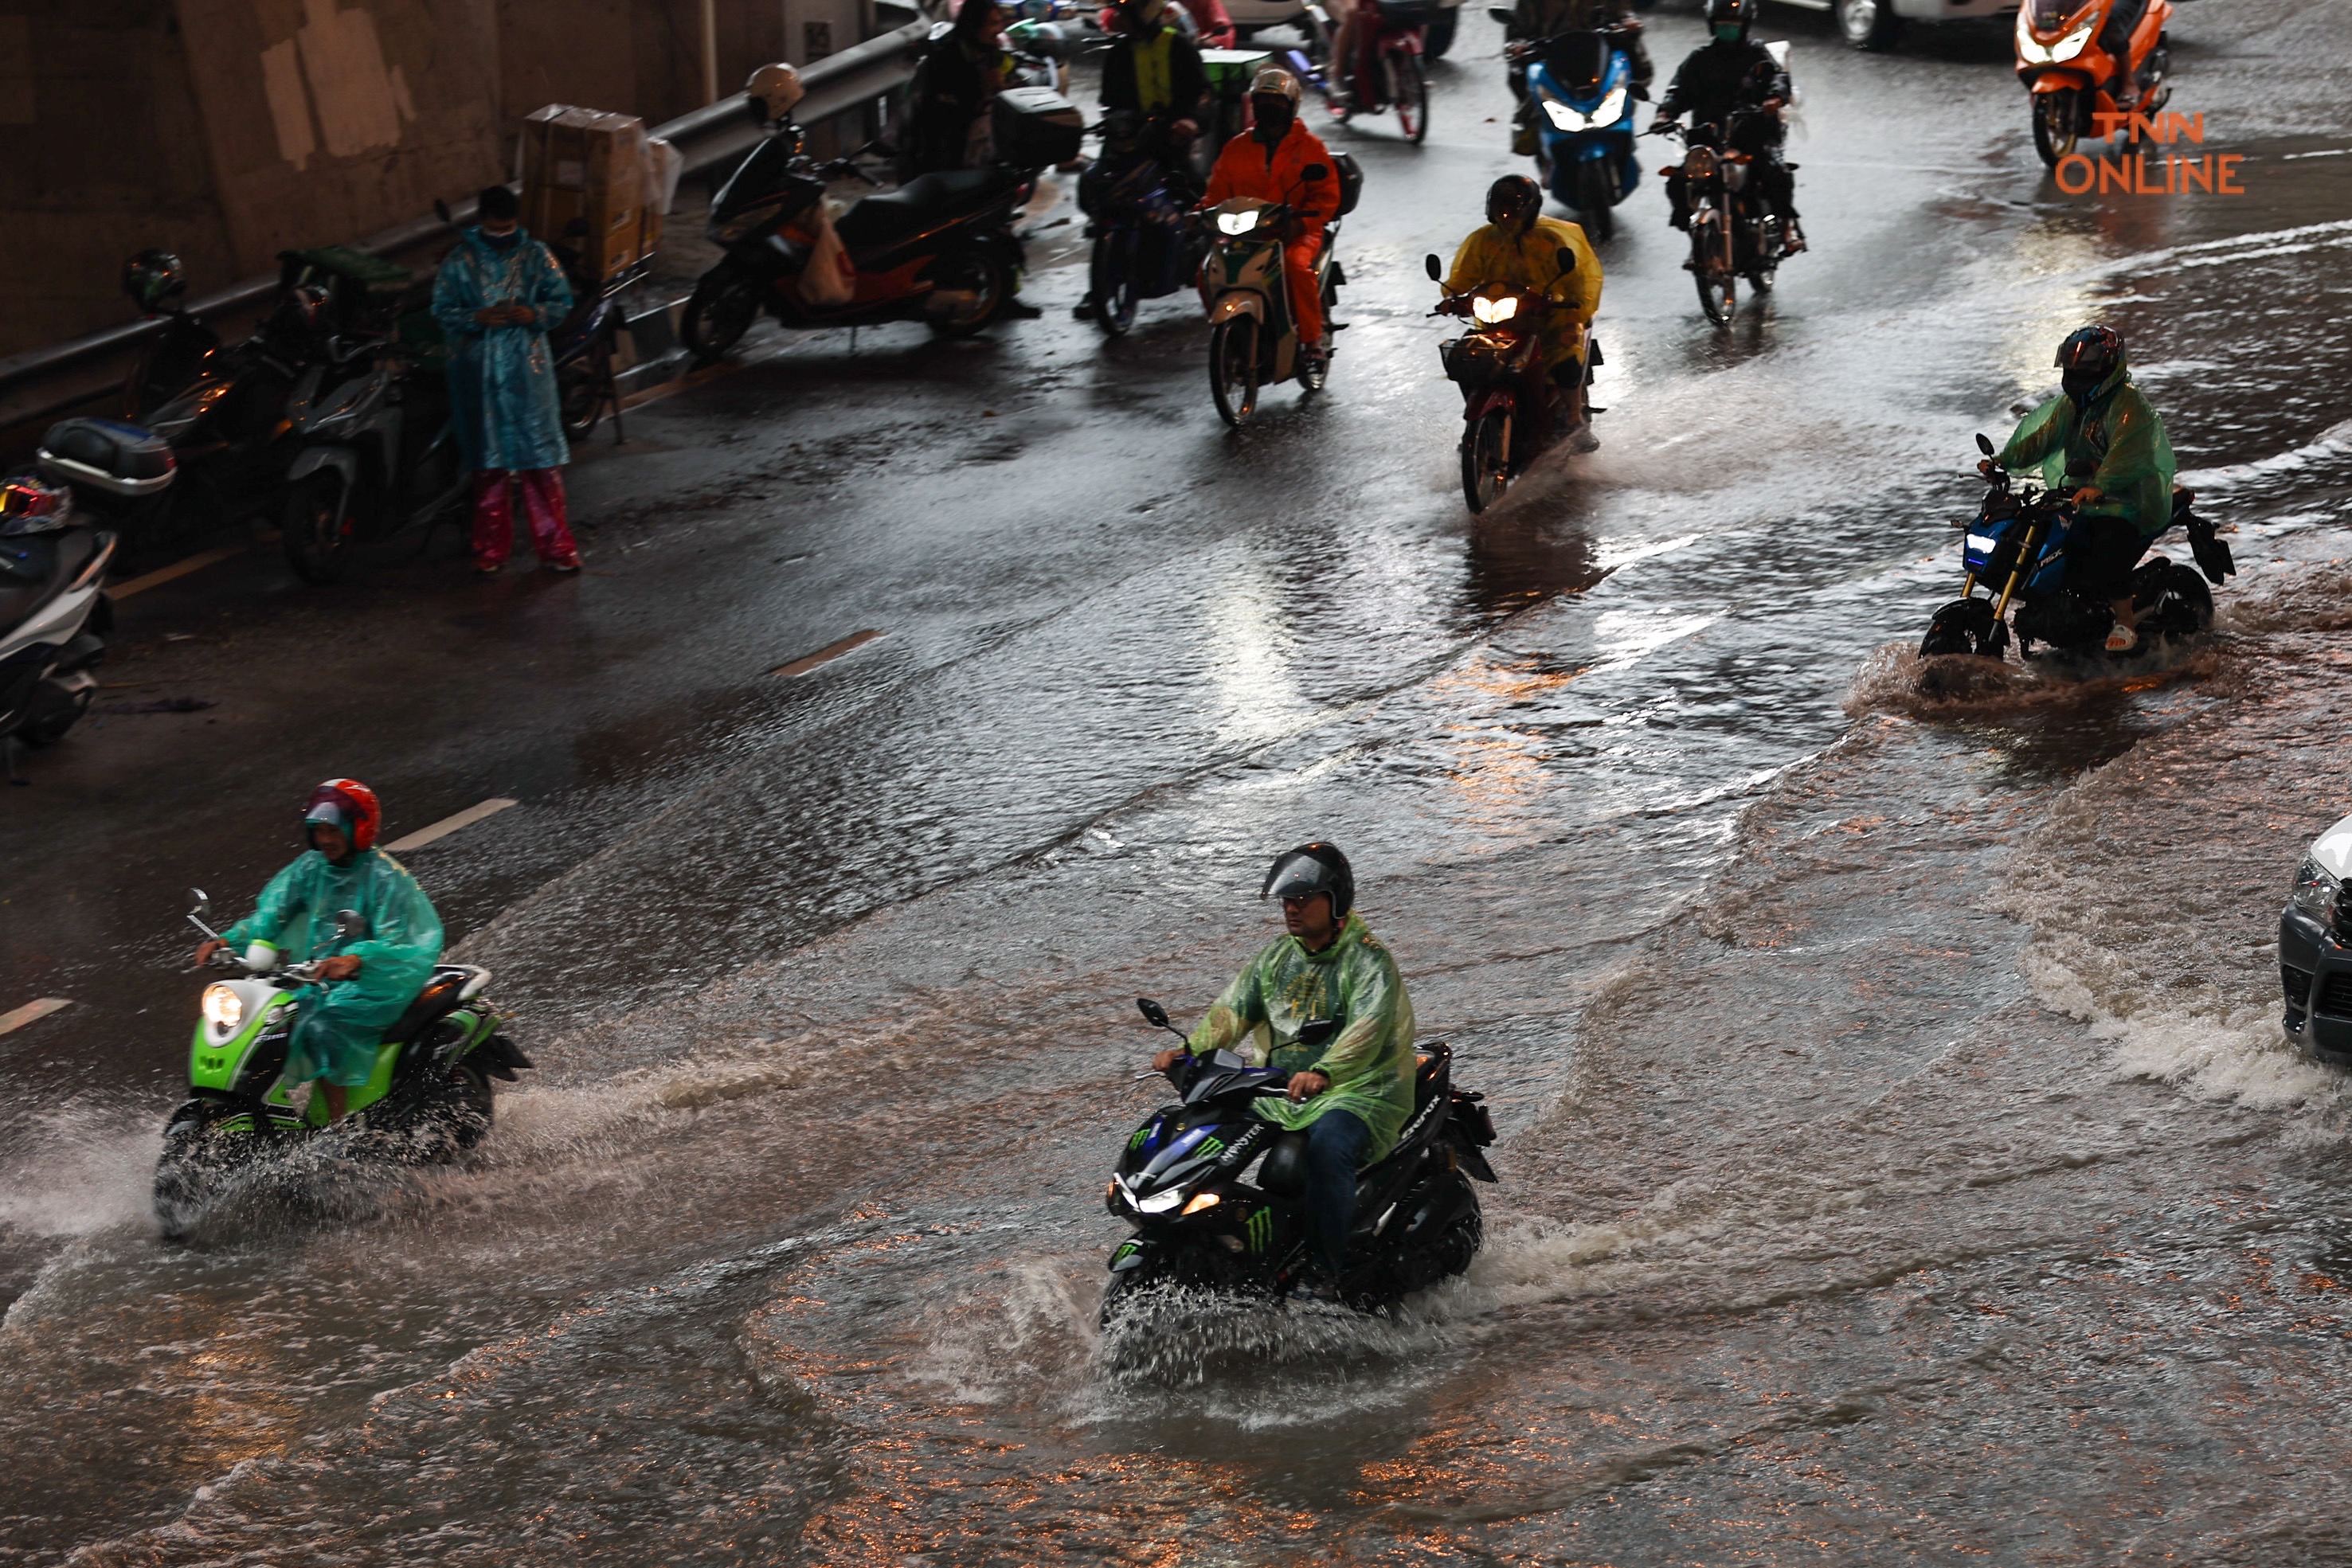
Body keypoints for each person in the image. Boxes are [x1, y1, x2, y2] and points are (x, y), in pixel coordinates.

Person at [1149, 843, 1415, 1297]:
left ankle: (1325, 1271)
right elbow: (1232, 1010)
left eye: (1303, 899)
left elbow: (1367, 1030)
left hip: (1361, 1090)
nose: (1291, 909)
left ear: (1334, 901)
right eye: (1287, 900)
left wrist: (1325, 1072)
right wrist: (1189, 1051)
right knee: (1212, 1133)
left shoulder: (1369, 960)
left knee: (1328, 1149)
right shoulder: (1276, 957)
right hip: (1279, 1091)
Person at [190, 781, 446, 1123]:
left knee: (322, 1024)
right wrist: (226, 941)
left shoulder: (385, 878)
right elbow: (271, 916)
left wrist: (358, 958)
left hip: (377, 981)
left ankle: (338, 1129)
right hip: (321, 974)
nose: (325, 839)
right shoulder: (311, 868)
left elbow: (398, 942)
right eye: (319, 830)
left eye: (333, 830)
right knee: (276, 1025)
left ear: (359, 828)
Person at [1983, 326, 2177, 652]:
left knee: (2107, 544)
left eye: (2086, 368)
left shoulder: (2130, 407)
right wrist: (2004, 460)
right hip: (2078, 497)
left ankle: (2125, 622)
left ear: (2109, 367)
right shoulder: (2071, 407)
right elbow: (2040, 439)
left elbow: (2126, 456)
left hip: (2126, 500)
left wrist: (2101, 486)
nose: (2077, 376)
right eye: (2072, 369)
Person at [432, 185, 582, 577]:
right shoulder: (460, 262)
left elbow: (562, 301)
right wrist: (475, 318)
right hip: (479, 375)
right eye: (497, 227)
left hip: (528, 375)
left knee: (541, 465)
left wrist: (535, 314)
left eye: (510, 226)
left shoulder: (535, 256)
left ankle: (557, 548)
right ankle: (491, 549)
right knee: (489, 467)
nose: (504, 233)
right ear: (481, 222)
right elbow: (442, 309)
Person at [1199, 68, 1344, 375]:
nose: (1268, 107)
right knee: (1205, 273)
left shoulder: (1309, 147)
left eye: (1275, 101)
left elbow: (1326, 196)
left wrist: (1301, 223)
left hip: (1297, 231)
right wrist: (1200, 213)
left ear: (1291, 105)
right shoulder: (1237, 147)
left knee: (1295, 268)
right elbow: (1217, 192)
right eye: (1261, 100)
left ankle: (1311, 340)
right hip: (1249, 233)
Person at [1445, 174, 1603, 452]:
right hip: (1499, 319)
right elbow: (1463, 277)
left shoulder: (1550, 241)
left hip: (1548, 320)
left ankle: (1574, 420)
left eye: (1512, 210)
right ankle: (1480, 424)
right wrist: (1452, 297)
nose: (1506, 217)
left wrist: (1571, 307)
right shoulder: (1483, 241)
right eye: (1500, 210)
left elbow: (1577, 281)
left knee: (1565, 361)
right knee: (1468, 360)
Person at [1653, 0, 1802, 256]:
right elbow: (1678, 90)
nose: (1727, 30)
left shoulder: (1756, 56)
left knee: (1775, 173)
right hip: (1708, 136)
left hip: (1752, 133)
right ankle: (1697, 232)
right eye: (1722, 25)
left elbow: (1777, 78)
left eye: (1733, 25)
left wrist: (1773, 99)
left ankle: (1787, 231)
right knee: (1678, 181)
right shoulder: (1700, 60)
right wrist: (1664, 113)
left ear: (1744, 25)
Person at [903, 0, 1014, 176]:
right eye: (992, 23)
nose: (998, 30)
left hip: (983, 155)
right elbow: (942, 115)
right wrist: (981, 88)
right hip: (945, 161)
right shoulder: (946, 59)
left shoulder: (991, 54)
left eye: (999, 23)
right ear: (974, 25)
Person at [1504, 0, 1650, 109]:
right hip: (1551, 60)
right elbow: (1519, 29)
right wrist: (1518, 46)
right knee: (1535, 109)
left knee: (1620, 98)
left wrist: (1629, 24)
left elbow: (1623, 13)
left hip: (1596, 58)